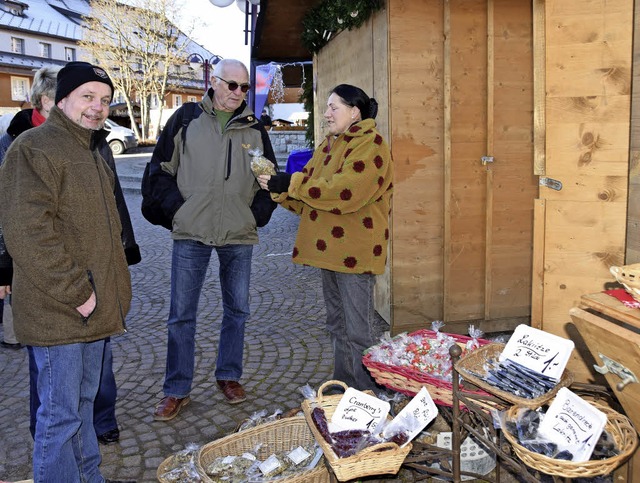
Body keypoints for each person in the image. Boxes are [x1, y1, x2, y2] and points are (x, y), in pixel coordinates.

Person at [0, 61, 134, 483]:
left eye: (105, 100)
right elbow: (27, 232)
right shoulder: (34, 147)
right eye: (87, 97)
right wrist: (77, 290)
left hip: (92, 309)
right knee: (60, 417)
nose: (97, 107)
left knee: (83, 405)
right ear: (62, 100)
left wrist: (108, 294)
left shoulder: (90, 149)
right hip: (60, 309)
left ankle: (87, 478)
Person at [145, 58, 277, 421]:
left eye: (244, 87)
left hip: (238, 232)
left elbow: (271, 178)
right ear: (214, 82)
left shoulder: (254, 128)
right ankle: (176, 389)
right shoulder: (186, 119)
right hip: (192, 231)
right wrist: (178, 210)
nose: (238, 93)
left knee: (237, 310)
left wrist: (258, 214)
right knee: (181, 315)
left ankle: (229, 375)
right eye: (232, 85)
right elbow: (160, 169)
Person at [258, 84, 394, 391]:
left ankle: (366, 390)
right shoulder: (329, 145)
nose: (327, 113)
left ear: (354, 111)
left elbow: (345, 190)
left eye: (334, 107)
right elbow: (309, 188)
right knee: (337, 323)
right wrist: (280, 189)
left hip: (354, 252)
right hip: (329, 250)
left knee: (357, 327)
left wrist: (291, 184)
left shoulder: (372, 144)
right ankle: (344, 382)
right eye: (327, 106)